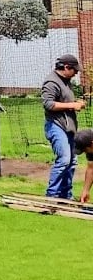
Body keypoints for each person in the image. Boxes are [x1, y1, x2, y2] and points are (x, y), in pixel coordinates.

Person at [41, 54, 86, 198]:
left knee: (72, 161)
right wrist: (72, 105)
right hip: (56, 126)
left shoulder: (66, 81)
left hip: (68, 127)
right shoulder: (51, 82)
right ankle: (52, 195)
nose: (76, 73)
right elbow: (48, 104)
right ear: (66, 67)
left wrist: (76, 102)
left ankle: (66, 194)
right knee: (64, 159)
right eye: (75, 70)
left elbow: (64, 100)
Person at [74, 128, 93, 203]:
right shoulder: (91, 150)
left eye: (85, 150)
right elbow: (91, 169)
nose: (85, 153)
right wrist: (85, 190)